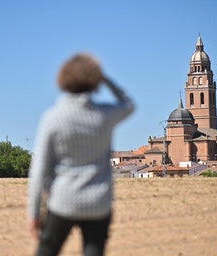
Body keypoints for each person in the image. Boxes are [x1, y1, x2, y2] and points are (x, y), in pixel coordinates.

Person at [27, 53, 135, 256]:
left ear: (62, 80)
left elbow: (39, 169)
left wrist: (33, 214)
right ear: (94, 82)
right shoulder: (104, 114)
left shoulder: (52, 117)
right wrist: (105, 79)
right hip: (98, 202)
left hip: (62, 200)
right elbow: (129, 105)